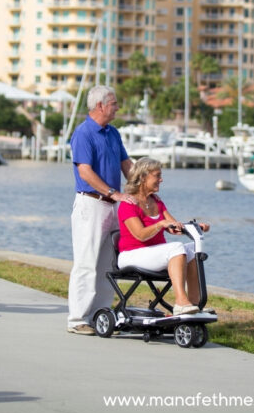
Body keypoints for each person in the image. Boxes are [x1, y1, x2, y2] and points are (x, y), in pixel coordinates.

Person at [67, 85, 136, 335]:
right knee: (86, 263)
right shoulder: (83, 133)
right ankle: (77, 319)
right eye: (114, 103)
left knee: (108, 264)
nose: (117, 107)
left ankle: (100, 316)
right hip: (91, 203)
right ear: (100, 106)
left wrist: (141, 189)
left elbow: (126, 164)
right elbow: (85, 171)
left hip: (111, 207)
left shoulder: (113, 133)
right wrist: (113, 193)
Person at [117, 157, 211, 315]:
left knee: (192, 250)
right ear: (143, 177)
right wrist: (160, 224)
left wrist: (193, 227)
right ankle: (181, 302)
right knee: (176, 248)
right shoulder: (128, 204)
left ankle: (194, 304)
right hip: (131, 255)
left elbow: (175, 226)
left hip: (153, 254)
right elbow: (140, 235)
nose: (161, 179)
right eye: (157, 175)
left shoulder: (157, 202)